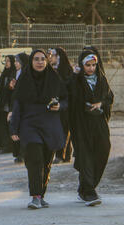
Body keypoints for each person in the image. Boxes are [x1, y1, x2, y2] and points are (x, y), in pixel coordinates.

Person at [10, 49, 68, 209]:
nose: (40, 62)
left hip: (50, 123)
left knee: (46, 161)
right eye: (36, 59)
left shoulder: (55, 78)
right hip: (29, 124)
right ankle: (35, 196)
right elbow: (17, 106)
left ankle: (41, 195)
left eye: (43, 59)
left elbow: (65, 99)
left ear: (47, 61)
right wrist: (14, 129)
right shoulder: (24, 80)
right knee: (34, 158)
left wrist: (60, 106)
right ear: (31, 61)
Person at [68, 50, 114, 206]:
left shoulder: (101, 79)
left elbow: (109, 97)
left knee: (103, 150)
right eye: (87, 65)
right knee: (85, 155)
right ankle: (89, 192)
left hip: (99, 123)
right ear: (82, 65)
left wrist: (100, 103)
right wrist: (74, 76)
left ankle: (85, 188)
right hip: (82, 124)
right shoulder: (76, 80)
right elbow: (70, 95)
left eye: (93, 65)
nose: (91, 68)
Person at [48, 47, 74, 164]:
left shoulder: (67, 71)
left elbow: (68, 87)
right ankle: (65, 155)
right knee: (59, 130)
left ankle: (61, 155)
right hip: (56, 104)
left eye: (52, 55)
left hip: (66, 105)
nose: (50, 57)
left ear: (58, 57)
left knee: (63, 130)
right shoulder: (52, 70)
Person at [8, 52, 29, 163]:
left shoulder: (26, 74)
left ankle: (23, 154)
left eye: (17, 61)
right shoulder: (17, 73)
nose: (15, 63)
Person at [0, 55, 16, 154]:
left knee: (8, 125)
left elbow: (12, 89)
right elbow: (0, 87)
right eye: (5, 61)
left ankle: (9, 146)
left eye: (8, 61)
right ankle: (2, 145)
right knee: (1, 124)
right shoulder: (4, 74)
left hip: (10, 104)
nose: (6, 63)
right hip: (2, 104)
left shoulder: (14, 74)